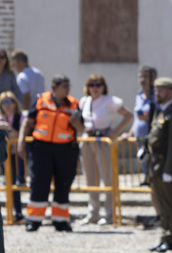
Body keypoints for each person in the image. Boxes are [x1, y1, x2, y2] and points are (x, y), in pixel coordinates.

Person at [17, 74, 83, 232]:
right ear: (54, 88)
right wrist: (21, 142)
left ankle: (61, 221)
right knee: (39, 183)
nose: (67, 89)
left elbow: (82, 128)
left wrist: (77, 124)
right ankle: (33, 221)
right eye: (64, 86)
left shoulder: (74, 104)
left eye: (68, 86)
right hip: (41, 148)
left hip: (65, 149)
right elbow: (28, 122)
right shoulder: (41, 101)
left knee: (63, 185)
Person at [78, 74, 134, 226]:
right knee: (90, 178)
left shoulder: (109, 101)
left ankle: (109, 214)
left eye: (98, 85)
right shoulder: (84, 101)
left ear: (103, 87)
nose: (95, 88)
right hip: (88, 140)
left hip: (103, 140)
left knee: (107, 178)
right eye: (92, 85)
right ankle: (93, 212)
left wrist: (115, 132)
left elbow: (128, 115)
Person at [146, 77, 172, 251]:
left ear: (170, 92)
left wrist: (169, 170)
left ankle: (171, 238)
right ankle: (164, 235)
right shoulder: (159, 111)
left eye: (161, 90)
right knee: (161, 203)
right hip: (156, 165)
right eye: (156, 90)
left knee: (170, 203)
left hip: (166, 166)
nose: (157, 93)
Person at [0, 92, 24, 221]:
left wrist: (7, 128)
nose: (7, 105)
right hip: (6, 156)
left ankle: (18, 212)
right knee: (9, 184)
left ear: (15, 103)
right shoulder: (1, 118)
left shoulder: (21, 117)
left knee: (16, 184)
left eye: (10, 101)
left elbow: (20, 134)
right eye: (4, 102)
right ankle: (12, 212)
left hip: (19, 155)